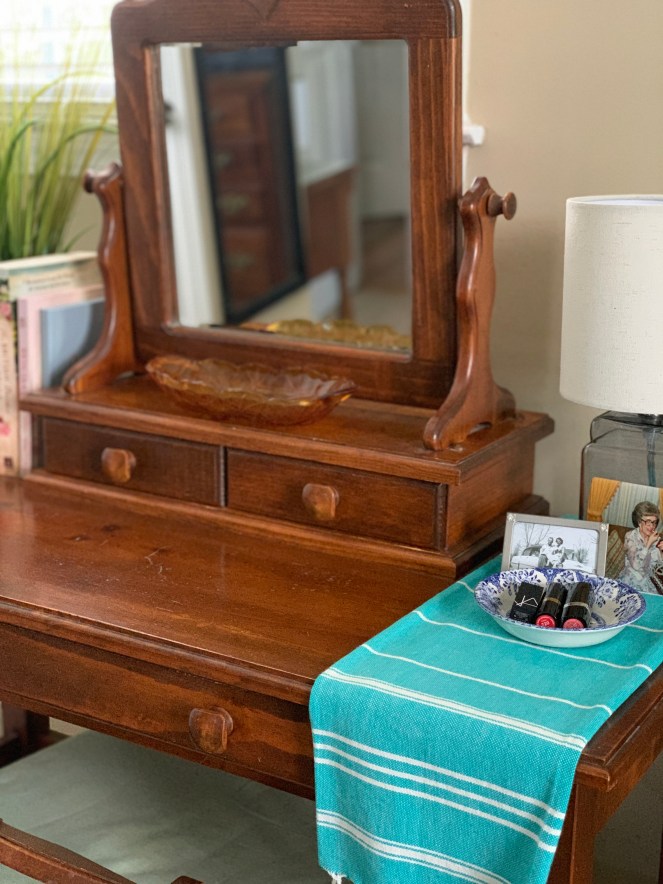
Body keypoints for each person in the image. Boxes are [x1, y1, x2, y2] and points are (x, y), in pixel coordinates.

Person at [618, 501, 663, 593]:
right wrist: (648, 544)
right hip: (630, 579)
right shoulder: (630, 536)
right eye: (648, 522)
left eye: (654, 522)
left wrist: (661, 552)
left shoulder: (656, 539)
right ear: (639, 522)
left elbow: (658, 567)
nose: (652, 526)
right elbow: (636, 565)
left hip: (646, 581)